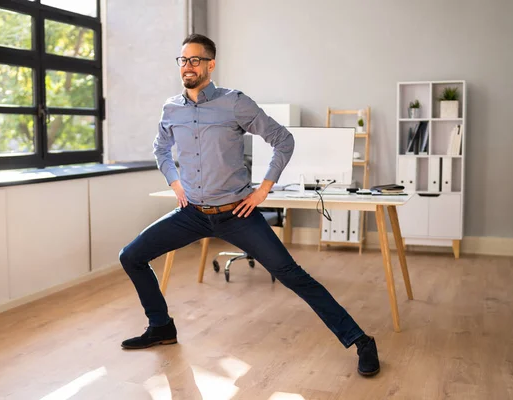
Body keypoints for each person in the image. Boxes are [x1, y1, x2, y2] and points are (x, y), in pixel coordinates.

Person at [118, 34, 380, 377]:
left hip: (236, 215)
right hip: (192, 213)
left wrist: (264, 189)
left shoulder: (234, 103)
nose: (188, 66)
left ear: (211, 64)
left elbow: (282, 140)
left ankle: (360, 341)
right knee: (131, 256)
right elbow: (161, 149)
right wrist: (174, 181)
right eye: (183, 60)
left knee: (292, 275)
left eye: (195, 60)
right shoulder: (171, 108)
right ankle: (161, 326)